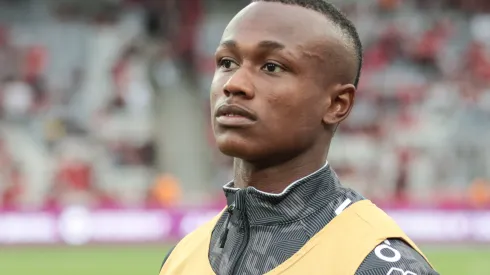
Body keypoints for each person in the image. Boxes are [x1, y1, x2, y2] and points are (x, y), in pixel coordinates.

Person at [160, 0, 439, 274]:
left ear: (336, 104)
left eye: (271, 66)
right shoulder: (182, 258)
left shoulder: (377, 265)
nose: (234, 84)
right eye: (227, 62)